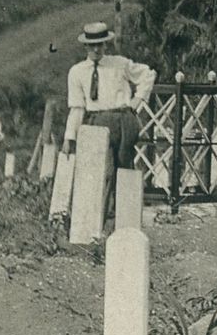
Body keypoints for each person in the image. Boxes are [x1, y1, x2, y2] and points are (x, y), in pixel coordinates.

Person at [66, 21, 156, 217]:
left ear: (106, 44)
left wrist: (137, 100)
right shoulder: (77, 72)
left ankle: (124, 215)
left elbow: (148, 74)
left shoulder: (120, 64)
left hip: (123, 119)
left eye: (100, 44)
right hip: (96, 120)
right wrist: (69, 137)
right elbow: (77, 107)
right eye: (92, 45)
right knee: (100, 169)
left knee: (124, 168)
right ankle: (97, 215)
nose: (96, 49)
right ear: (86, 46)